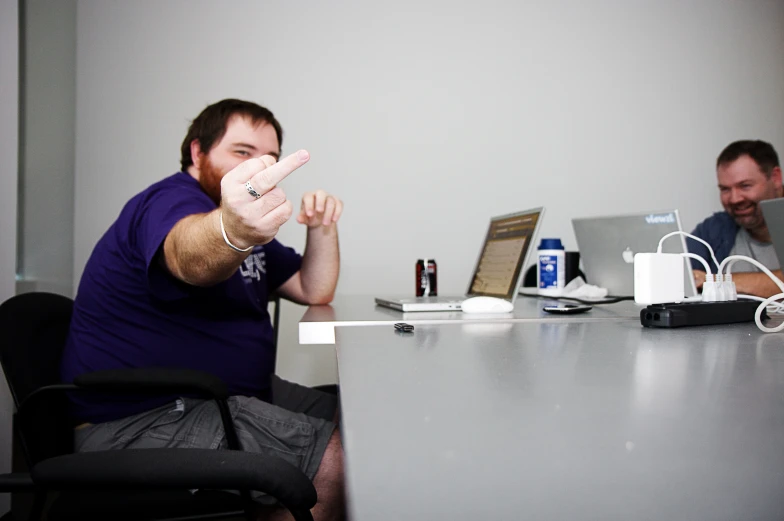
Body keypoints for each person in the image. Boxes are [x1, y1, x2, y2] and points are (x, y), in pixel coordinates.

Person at [60, 98, 345, 520]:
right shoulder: (170, 202)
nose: (259, 169)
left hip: (232, 393)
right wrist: (232, 231)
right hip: (139, 418)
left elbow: (312, 287)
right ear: (198, 153)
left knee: (361, 420)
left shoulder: (242, 223)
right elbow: (189, 257)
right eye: (242, 153)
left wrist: (322, 226)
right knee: (337, 461)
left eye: (269, 159)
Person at [688, 140, 783, 297]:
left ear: (775, 178)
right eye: (725, 189)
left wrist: (714, 281)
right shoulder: (714, 229)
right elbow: (681, 276)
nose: (734, 199)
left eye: (745, 186)